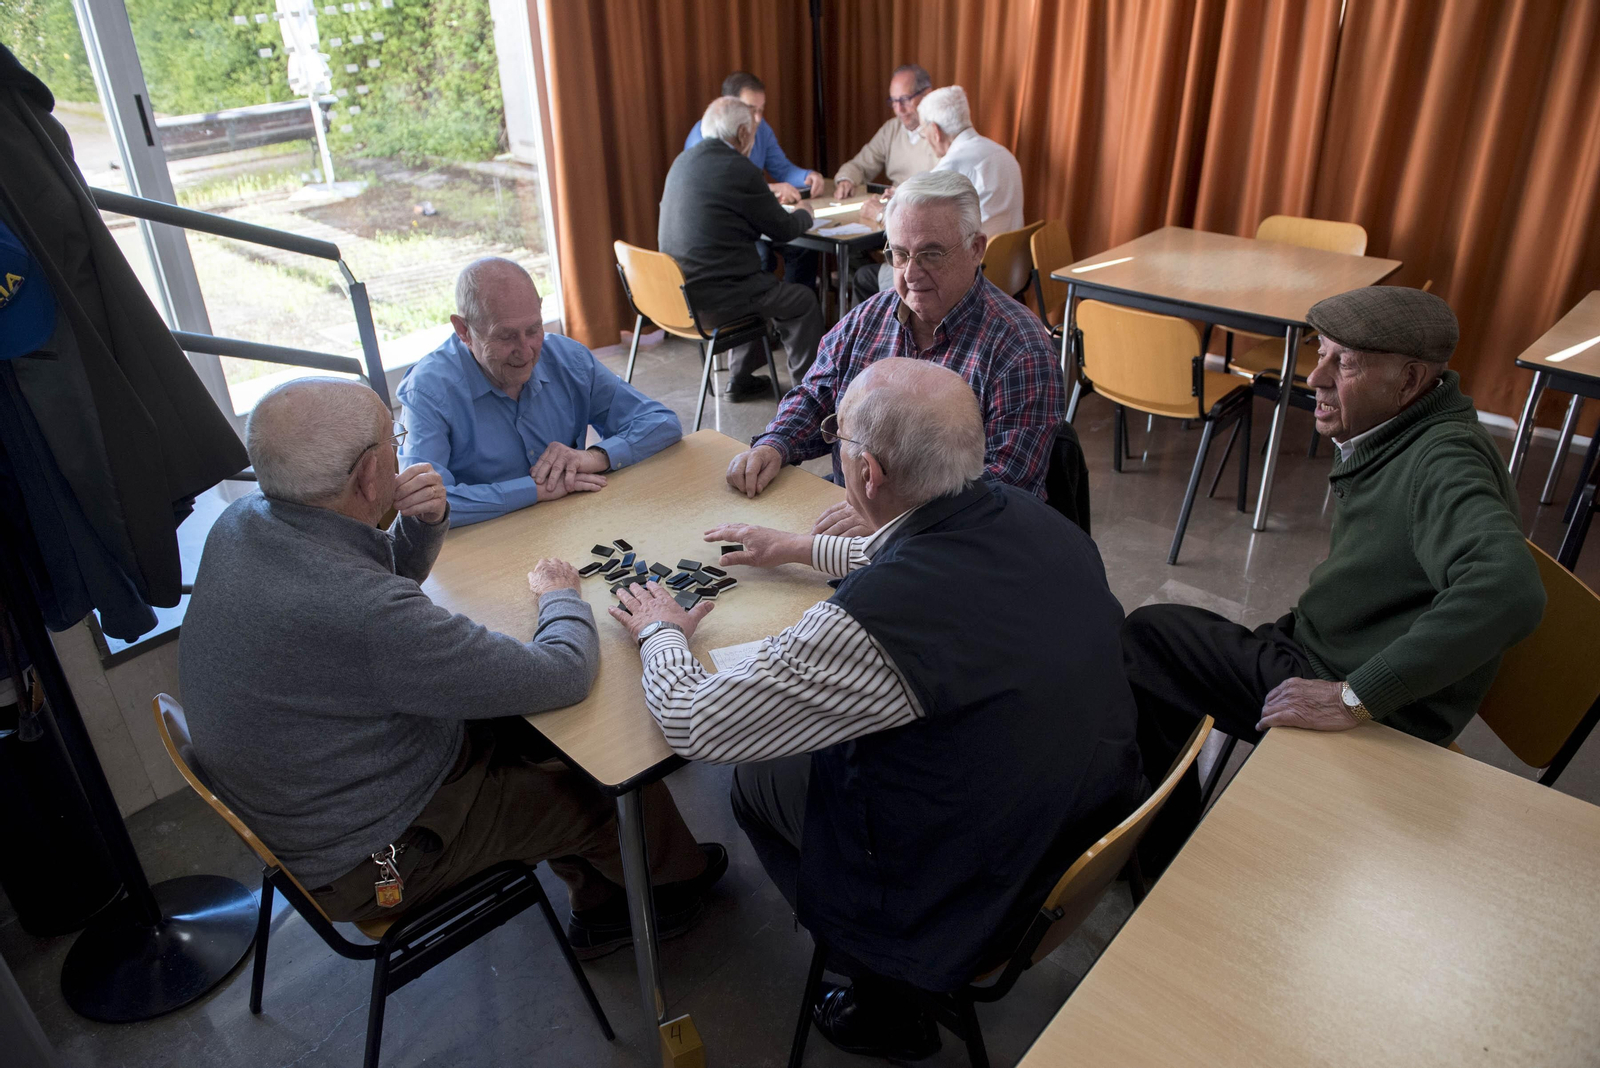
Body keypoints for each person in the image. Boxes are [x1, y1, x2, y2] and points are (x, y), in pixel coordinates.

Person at [610, 359, 1144, 1061]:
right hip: (1077, 835)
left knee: (754, 783)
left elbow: (696, 722)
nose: (831, 441)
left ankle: (884, 987)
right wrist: (801, 547)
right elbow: (927, 550)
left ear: (866, 475)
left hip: (973, 898)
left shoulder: (870, 627)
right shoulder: (1037, 520)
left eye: (838, 433)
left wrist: (659, 630)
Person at [179, 378, 724, 957]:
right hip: (375, 858)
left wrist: (421, 523)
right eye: (396, 440)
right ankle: (671, 889)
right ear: (368, 475)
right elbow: (562, 673)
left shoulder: (246, 523)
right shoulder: (367, 616)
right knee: (594, 782)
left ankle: (601, 899)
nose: (402, 451)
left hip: (313, 796)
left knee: (531, 724)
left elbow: (366, 588)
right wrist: (561, 595)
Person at [1123, 287, 1545, 836]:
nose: (1316, 378)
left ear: (1410, 381)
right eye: (1320, 352)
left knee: (1147, 640)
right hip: (1331, 650)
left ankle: (1156, 853)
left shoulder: (1443, 460)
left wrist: (1357, 696)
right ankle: (1160, 825)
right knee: (1182, 643)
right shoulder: (1407, 431)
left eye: (1343, 363)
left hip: (1371, 699)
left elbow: (1510, 588)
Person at [725, 170, 1064, 540]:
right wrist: (776, 444)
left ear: (975, 249)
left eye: (931, 254)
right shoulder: (866, 319)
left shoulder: (1020, 348)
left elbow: (1003, 488)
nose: (911, 273)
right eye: (899, 255)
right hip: (860, 512)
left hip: (957, 543)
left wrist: (893, 522)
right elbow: (815, 397)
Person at [396, 258, 681, 527]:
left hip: (575, 525)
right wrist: (532, 490)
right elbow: (424, 506)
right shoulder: (427, 391)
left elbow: (661, 422)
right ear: (464, 330)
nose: (526, 350)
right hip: (486, 547)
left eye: (534, 329)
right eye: (506, 336)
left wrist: (595, 457)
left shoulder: (569, 359)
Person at [661, 96, 825, 400]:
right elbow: (784, 229)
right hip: (718, 300)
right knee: (801, 300)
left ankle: (740, 379)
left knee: (757, 281)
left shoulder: (682, 162)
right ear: (743, 134)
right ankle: (810, 394)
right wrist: (805, 211)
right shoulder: (740, 168)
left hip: (677, 295)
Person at [855, 85, 1025, 296]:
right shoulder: (1002, 153)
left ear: (935, 131)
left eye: (924, 135)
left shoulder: (952, 166)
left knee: (864, 276)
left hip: (967, 277)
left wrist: (880, 213)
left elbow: (914, 228)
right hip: (1009, 274)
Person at [683, 70, 821, 290]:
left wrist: (807, 176)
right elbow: (722, 189)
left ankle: (780, 316)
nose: (756, 119)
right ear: (729, 106)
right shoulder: (704, 139)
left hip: (752, 218)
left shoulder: (761, 129)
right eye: (750, 110)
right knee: (763, 255)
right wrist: (773, 190)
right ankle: (766, 316)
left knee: (801, 248)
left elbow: (781, 167)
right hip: (726, 237)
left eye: (761, 110)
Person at [831, 64, 941, 198]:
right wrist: (846, 179)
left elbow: (945, 191)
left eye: (905, 99)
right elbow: (860, 165)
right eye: (894, 101)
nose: (899, 110)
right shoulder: (891, 129)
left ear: (927, 94)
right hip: (894, 206)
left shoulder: (942, 133)